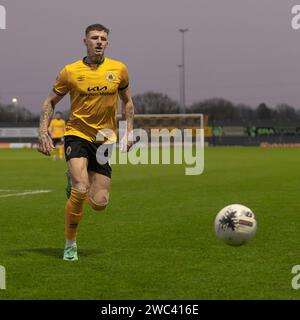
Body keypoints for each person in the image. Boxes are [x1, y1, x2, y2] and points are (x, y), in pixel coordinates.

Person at [37, 24, 135, 261]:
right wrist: (43, 131)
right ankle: (70, 244)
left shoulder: (119, 69)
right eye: (94, 38)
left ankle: (74, 181)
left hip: (104, 138)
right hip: (77, 133)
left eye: (103, 38)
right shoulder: (70, 71)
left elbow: (128, 102)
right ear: (85, 41)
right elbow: (50, 102)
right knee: (80, 189)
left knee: (99, 204)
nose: (99, 41)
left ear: (107, 43)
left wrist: (129, 130)